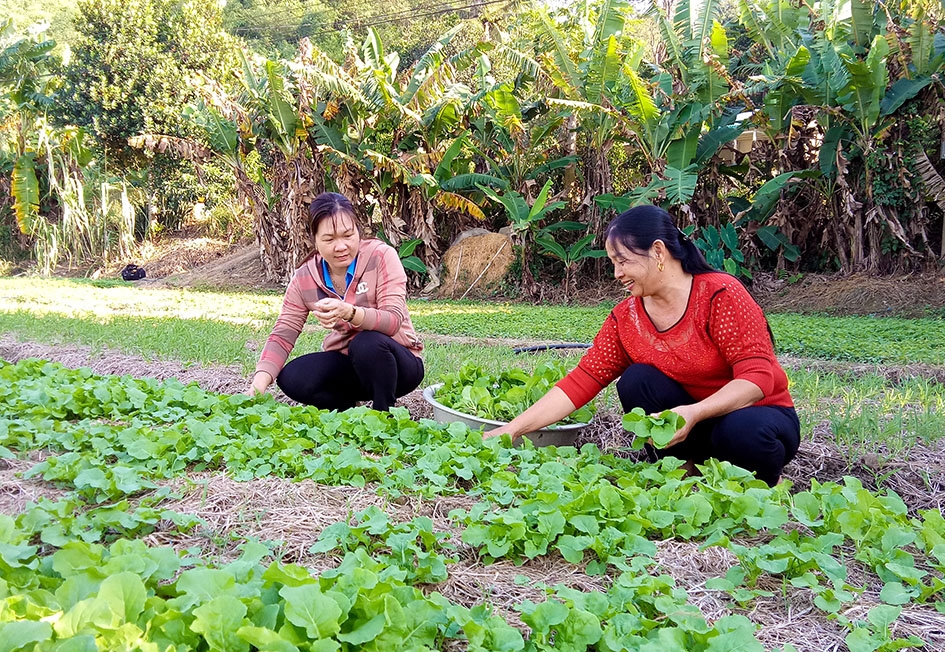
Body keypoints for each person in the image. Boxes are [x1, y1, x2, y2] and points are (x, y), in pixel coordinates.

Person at [485, 205, 799, 486]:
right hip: (691, 422)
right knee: (637, 380)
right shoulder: (627, 317)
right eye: (613, 263)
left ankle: (753, 490)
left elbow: (758, 379)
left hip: (757, 416)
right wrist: (511, 430)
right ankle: (683, 473)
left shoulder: (721, 294)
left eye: (622, 261)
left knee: (741, 429)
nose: (617, 273)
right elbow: (581, 381)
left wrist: (695, 412)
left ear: (658, 252)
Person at [247, 191, 424, 411]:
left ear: (358, 232)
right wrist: (258, 384)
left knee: (367, 343)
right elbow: (283, 333)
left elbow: (393, 321)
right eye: (329, 239)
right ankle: (346, 410)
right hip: (350, 364)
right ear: (315, 240)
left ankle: (382, 414)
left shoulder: (380, 256)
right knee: (292, 377)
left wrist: (349, 312)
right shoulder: (305, 277)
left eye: (348, 235)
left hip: (399, 364)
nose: (340, 246)